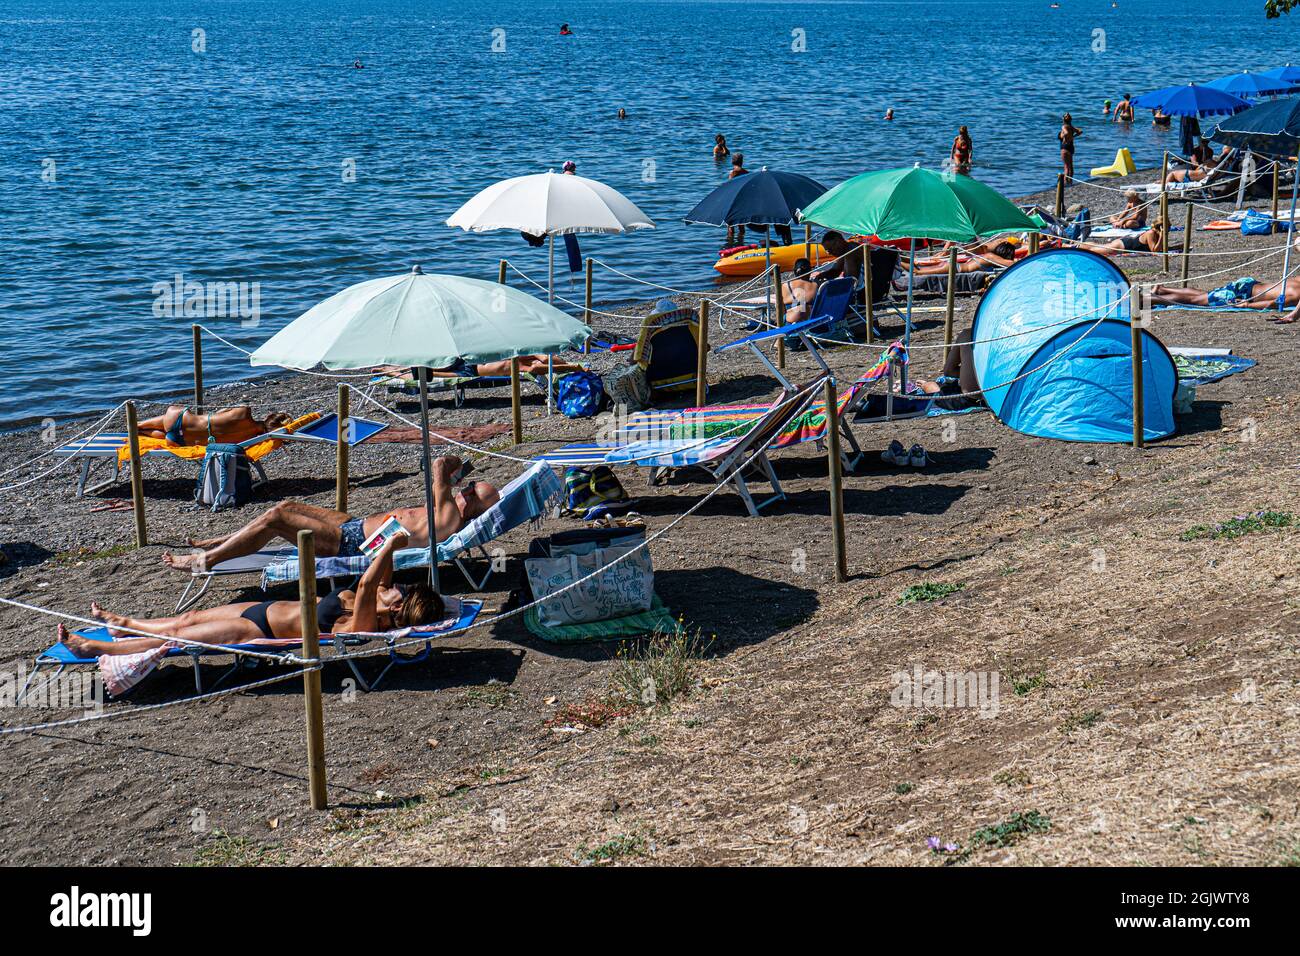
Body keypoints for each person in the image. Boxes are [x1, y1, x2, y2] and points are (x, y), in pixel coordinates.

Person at [64, 533, 442, 659]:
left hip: (258, 631)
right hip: (263, 609)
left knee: (176, 641)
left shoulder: (366, 621)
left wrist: (390, 544)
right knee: (188, 619)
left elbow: (364, 584)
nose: (398, 585)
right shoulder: (379, 601)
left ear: (397, 607)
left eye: (402, 591)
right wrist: (391, 549)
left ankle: (95, 648)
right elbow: (378, 580)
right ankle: (123, 624)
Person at [162, 455, 499, 572]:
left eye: (472, 494)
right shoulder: (448, 509)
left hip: (352, 545)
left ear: (476, 510)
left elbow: (438, 465)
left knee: (277, 517)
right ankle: (217, 542)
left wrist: (455, 466)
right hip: (352, 525)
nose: (465, 491)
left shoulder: (450, 518)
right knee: (287, 507)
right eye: (469, 487)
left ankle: (206, 560)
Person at [136, 405, 294, 446]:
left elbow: (219, 413)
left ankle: (136, 425)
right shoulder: (248, 441)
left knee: (138, 425)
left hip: (178, 419)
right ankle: (139, 433)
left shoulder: (243, 412)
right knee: (162, 435)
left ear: (268, 417)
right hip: (178, 441)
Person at [913, 328, 985, 412]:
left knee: (931, 386)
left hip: (970, 398)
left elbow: (949, 371)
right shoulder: (1002, 335)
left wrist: (968, 375)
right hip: (996, 397)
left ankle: (925, 384)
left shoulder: (967, 334)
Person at [1149, 275, 1300, 312]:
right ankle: (1154, 299)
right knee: (1197, 301)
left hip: (1248, 283)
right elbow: (1273, 303)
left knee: (1206, 294)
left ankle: (1163, 290)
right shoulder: (1298, 294)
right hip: (1244, 295)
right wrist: (1247, 305)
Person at [910, 242, 1016, 275]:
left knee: (917, 270)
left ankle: (899, 261)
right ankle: (899, 261)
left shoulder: (989, 256)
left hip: (953, 266)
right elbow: (1010, 263)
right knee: (917, 271)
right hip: (955, 267)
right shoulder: (991, 257)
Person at [1079, 217, 1166, 254]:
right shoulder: (1151, 233)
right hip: (1123, 245)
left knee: (1099, 246)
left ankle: (1074, 245)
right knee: (1094, 250)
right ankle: (1074, 246)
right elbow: (1155, 251)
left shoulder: (1154, 233)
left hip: (1125, 243)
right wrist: (1162, 236)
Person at [781, 258, 821, 324]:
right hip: (811, 322)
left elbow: (782, 307)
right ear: (810, 270)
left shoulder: (786, 285)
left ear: (795, 271)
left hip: (791, 323)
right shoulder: (815, 285)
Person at [1059, 113, 1082, 181]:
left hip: (1065, 147)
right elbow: (1080, 131)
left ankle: (1065, 182)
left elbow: (1066, 133)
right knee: (1070, 166)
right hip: (1071, 147)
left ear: (1063, 119)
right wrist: (1073, 136)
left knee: (1066, 167)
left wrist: (1064, 138)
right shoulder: (1071, 127)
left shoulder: (1064, 127)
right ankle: (1070, 181)